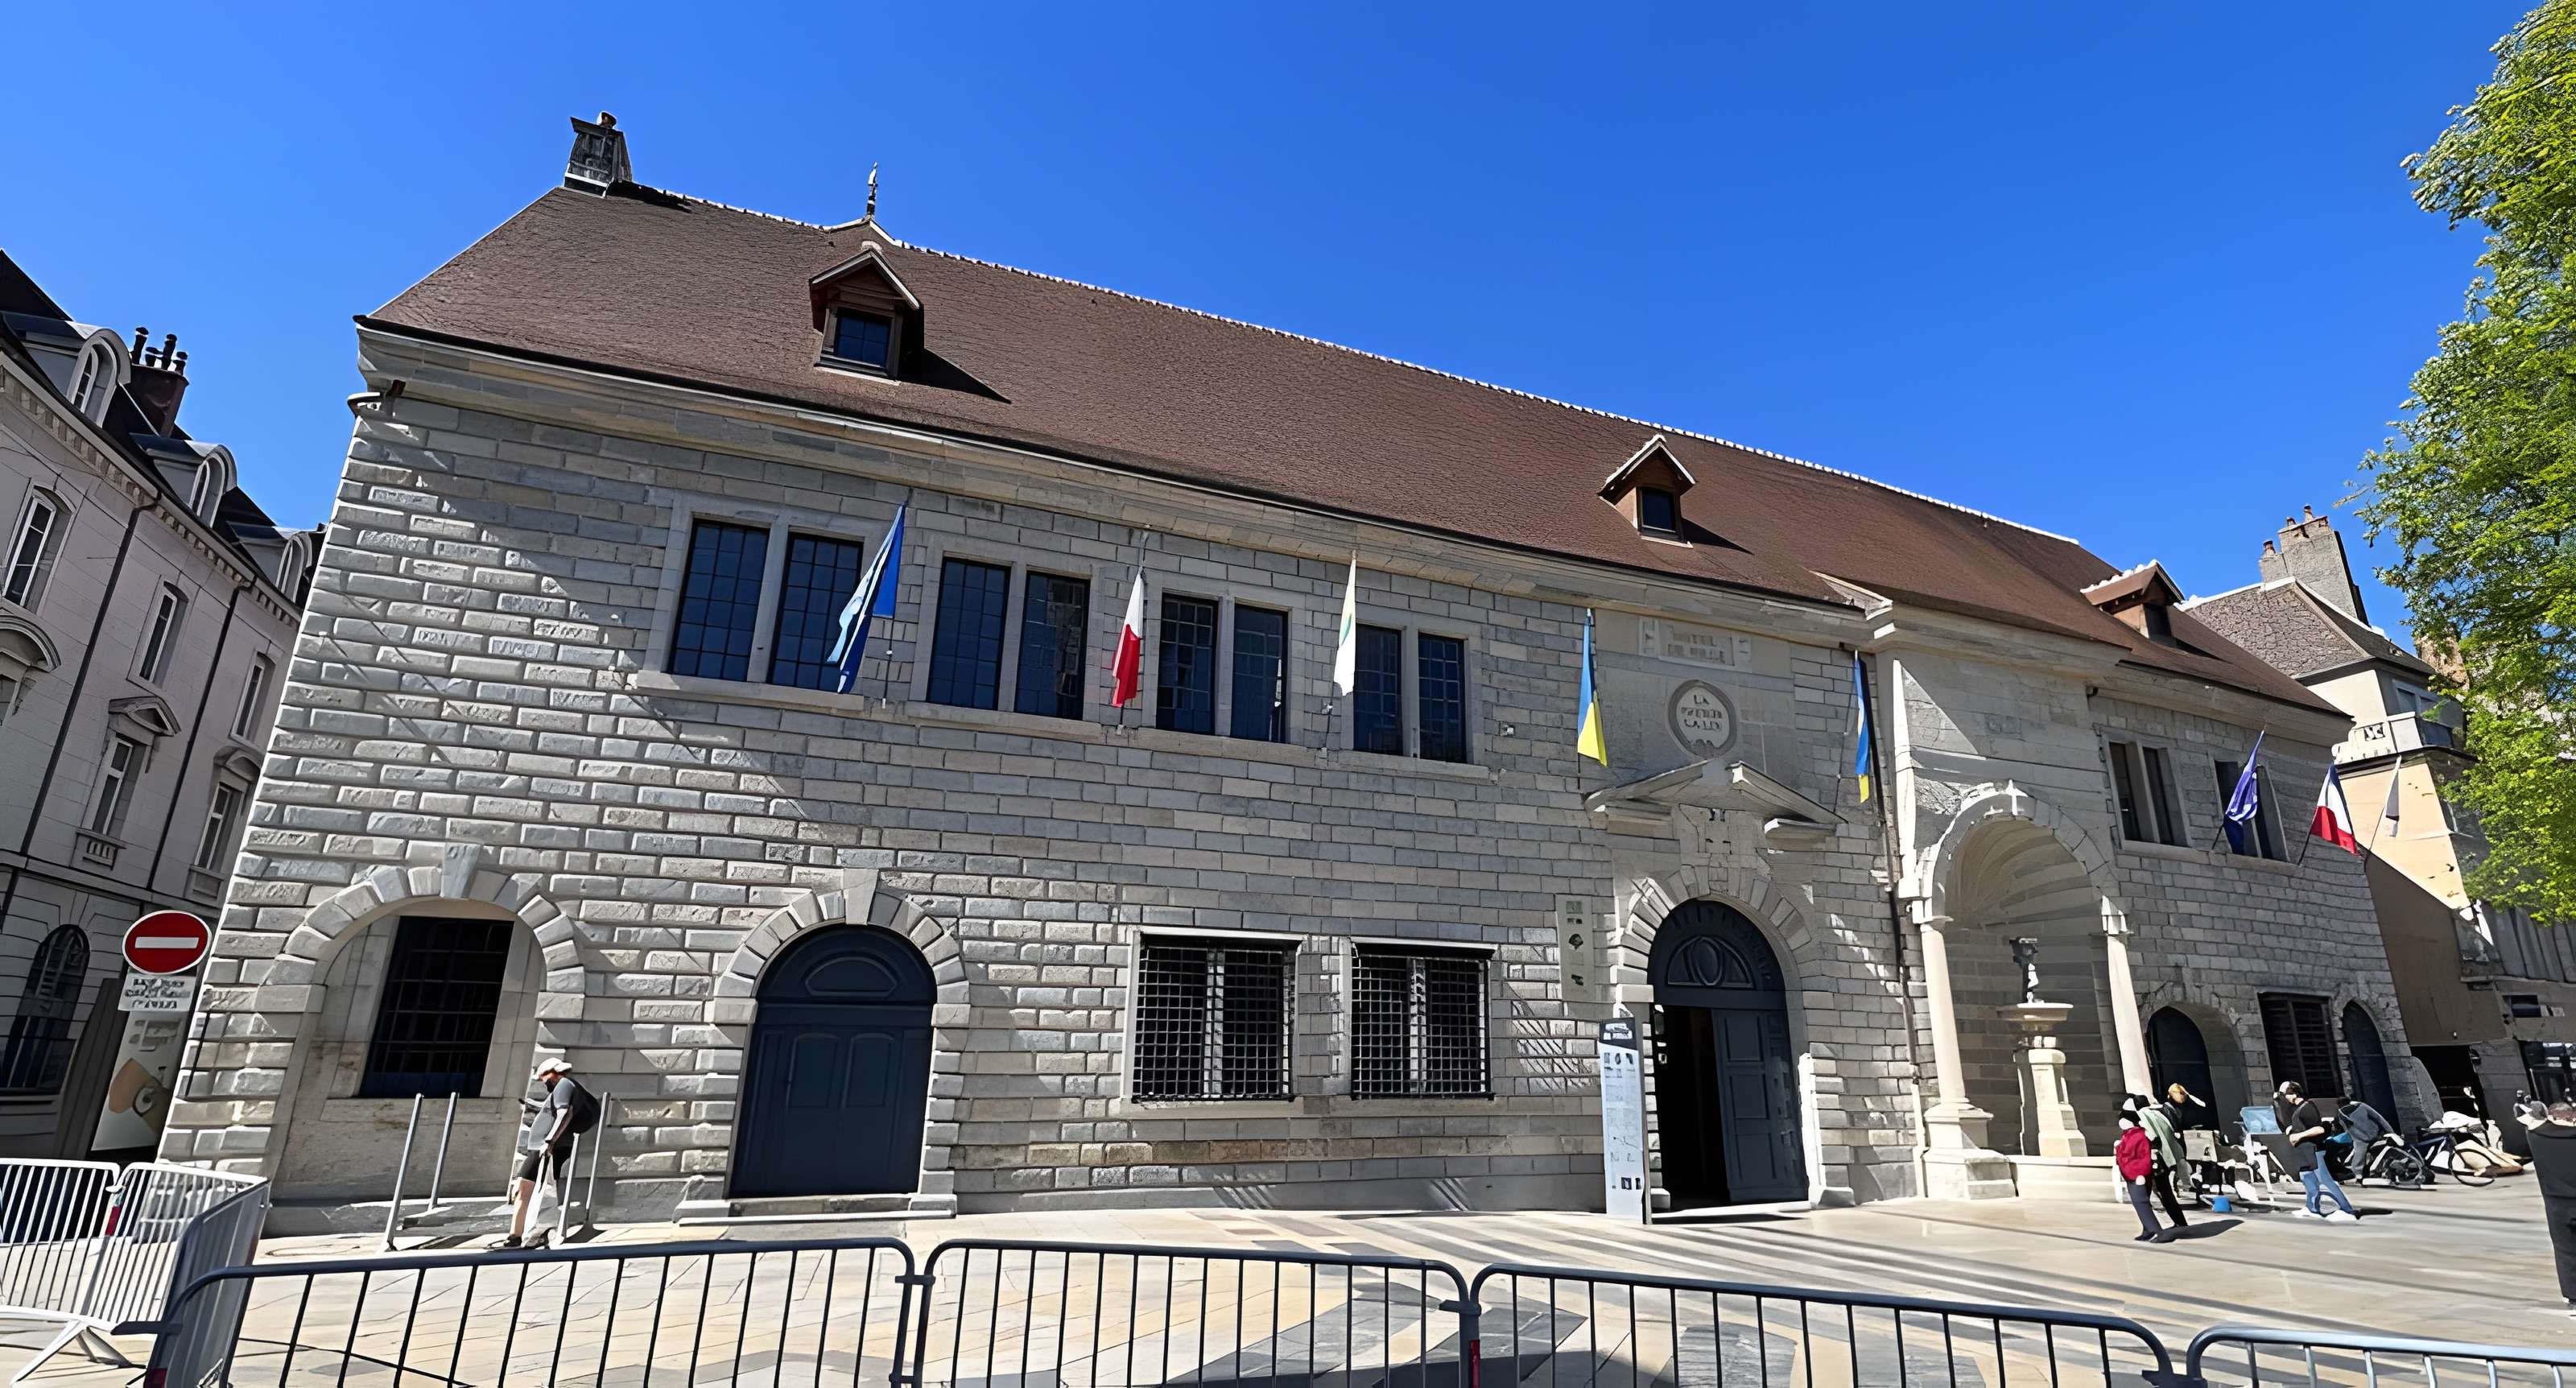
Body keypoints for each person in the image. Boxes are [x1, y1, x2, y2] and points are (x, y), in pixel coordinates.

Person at [500, 1058, 599, 1250]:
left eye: (543, 1077)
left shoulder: (564, 1085)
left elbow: (565, 1113)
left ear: (552, 1073)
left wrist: (549, 1141)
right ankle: (525, 1234)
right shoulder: (564, 1087)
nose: (542, 1082)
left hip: (547, 1147)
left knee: (525, 1187)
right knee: (531, 1188)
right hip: (548, 1146)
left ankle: (524, 1235)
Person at [2517, 1099, 2576, 1316]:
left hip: (2556, 1203)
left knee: (2565, 1251)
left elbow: (2526, 1116)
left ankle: (2574, 1299)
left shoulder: (2536, 1137)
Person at [2273, 1080, 2359, 1222]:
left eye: (2285, 1095)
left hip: (2314, 1150)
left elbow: (2319, 1129)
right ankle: (2312, 1208)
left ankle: (2347, 1209)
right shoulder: (2297, 1109)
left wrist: (2299, 1135)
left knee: (2325, 1180)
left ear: (2293, 1093)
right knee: (2308, 1181)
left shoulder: (2307, 1107)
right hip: (2304, 1152)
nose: (2285, 1099)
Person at [2131, 1093, 2192, 1226]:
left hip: (2152, 1161)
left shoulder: (2140, 1117)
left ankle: (2151, 1227)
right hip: (2166, 1158)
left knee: (2145, 1196)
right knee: (2165, 1192)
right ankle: (2180, 1222)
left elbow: (2151, 1137)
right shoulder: (2159, 1114)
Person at [2116, 1112, 2172, 1242]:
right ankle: (2147, 1230)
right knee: (2140, 1203)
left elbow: (2142, 1156)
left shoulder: (2137, 1135)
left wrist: (2140, 1173)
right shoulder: (2129, 1135)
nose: (2120, 1122)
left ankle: (2158, 1231)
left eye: (2123, 1119)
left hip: (2137, 1174)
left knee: (2141, 1203)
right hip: (2132, 1173)